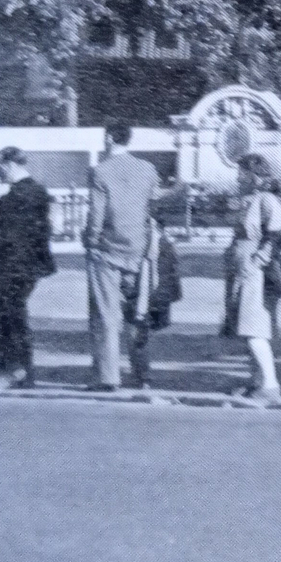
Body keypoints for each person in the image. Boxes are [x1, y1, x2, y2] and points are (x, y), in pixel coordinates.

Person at [84, 122, 160, 392]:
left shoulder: (100, 172)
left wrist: (91, 241)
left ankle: (107, 377)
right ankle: (142, 374)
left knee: (105, 314)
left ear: (108, 138)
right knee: (137, 313)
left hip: (107, 251)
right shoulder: (147, 169)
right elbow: (153, 204)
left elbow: (97, 214)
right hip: (139, 250)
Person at [0, 147, 54, 391]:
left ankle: (14, 371)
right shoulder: (36, 191)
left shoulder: (19, 196)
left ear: (9, 165)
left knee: (9, 317)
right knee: (12, 314)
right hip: (29, 265)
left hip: (14, 265)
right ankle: (21, 371)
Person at [225, 153, 281, 401]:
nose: (238, 176)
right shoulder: (251, 200)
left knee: (254, 330)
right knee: (247, 329)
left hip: (256, 274)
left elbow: (279, 233)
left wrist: (259, 259)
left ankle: (271, 386)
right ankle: (257, 382)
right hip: (243, 271)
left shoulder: (266, 199)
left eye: (242, 172)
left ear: (254, 175)